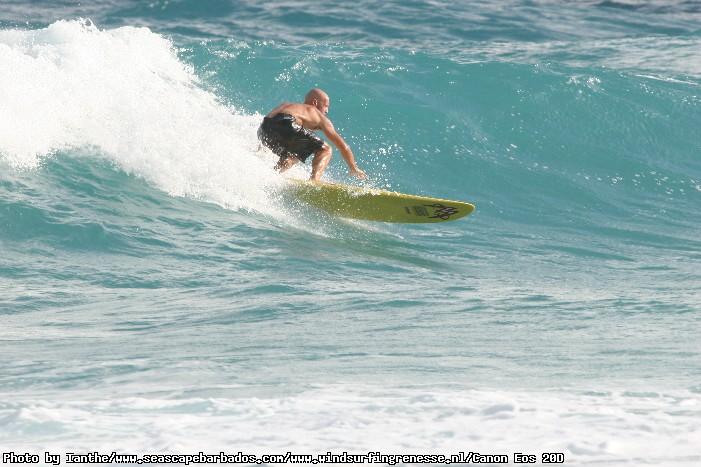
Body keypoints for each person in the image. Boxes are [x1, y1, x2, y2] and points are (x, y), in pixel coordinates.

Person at [258, 88, 367, 181]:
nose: (327, 111)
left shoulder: (287, 105)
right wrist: (353, 168)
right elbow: (343, 146)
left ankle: (271, 175)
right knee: (326, 149)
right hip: (287, 122)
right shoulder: (317, 114)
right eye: (326, 106)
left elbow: (267, 123)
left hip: (265, 128)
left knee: (295, 154)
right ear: (315, 103)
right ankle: (314, 180)